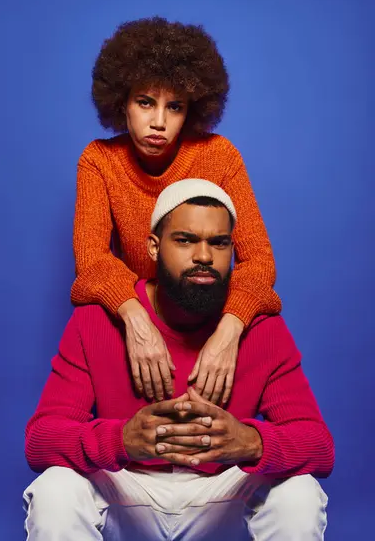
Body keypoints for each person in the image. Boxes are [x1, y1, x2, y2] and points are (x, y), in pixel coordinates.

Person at [24, 180, 334, 541]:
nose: (204, 256)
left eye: (218, 243)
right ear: (154, 247)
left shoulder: (261, 328)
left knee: (299, 493)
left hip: (221, 497)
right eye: (185, 240)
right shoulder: (96, 320)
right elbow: (41, 441)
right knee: (55, 489)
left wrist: (249, 442)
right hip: (128, 494)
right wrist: (121, 440)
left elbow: (319, 446)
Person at [71, 16, 282, 405]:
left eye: (175, 107)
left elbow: (259, 261)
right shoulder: (99, 161)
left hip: (205, 316)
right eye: (145, 102)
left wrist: (229, 330)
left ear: (193, 110)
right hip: (139, 321)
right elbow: (92, 259)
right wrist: (135, 319)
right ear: (121, 102)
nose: (159, 122)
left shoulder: (219, 156)